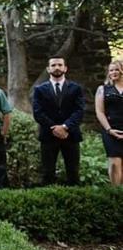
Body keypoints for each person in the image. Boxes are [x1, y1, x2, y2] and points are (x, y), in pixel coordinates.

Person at [32, 57, 85, 186]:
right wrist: (54, 128)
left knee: (73, 173)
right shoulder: (39, 90)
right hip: (48, 135)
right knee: (47, 173)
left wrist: (65, 126)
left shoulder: (76, 88)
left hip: (70, 135)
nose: (57, 67)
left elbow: (79, 111)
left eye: (60, 65)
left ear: (65, 68)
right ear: (48, 69)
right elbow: (38, 113)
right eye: (53, 65)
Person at [95, 60, 123, 186]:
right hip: (110, 130)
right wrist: (109, 129)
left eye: (116, 69)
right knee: (114, 163)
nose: (113, 72)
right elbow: (100, 112)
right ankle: (115, 193)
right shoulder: (103, 89)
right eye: (111, 70)